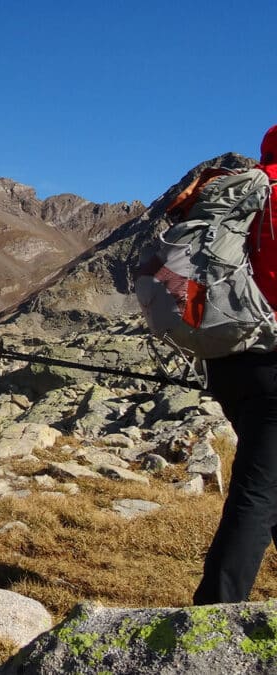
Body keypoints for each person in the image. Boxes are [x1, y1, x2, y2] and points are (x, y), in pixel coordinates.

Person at [194, 124, 277, 604]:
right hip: (274, 364)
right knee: (258, 493)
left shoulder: (244, 197)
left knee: (269, 478)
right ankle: (212, 614)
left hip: (228, 359)